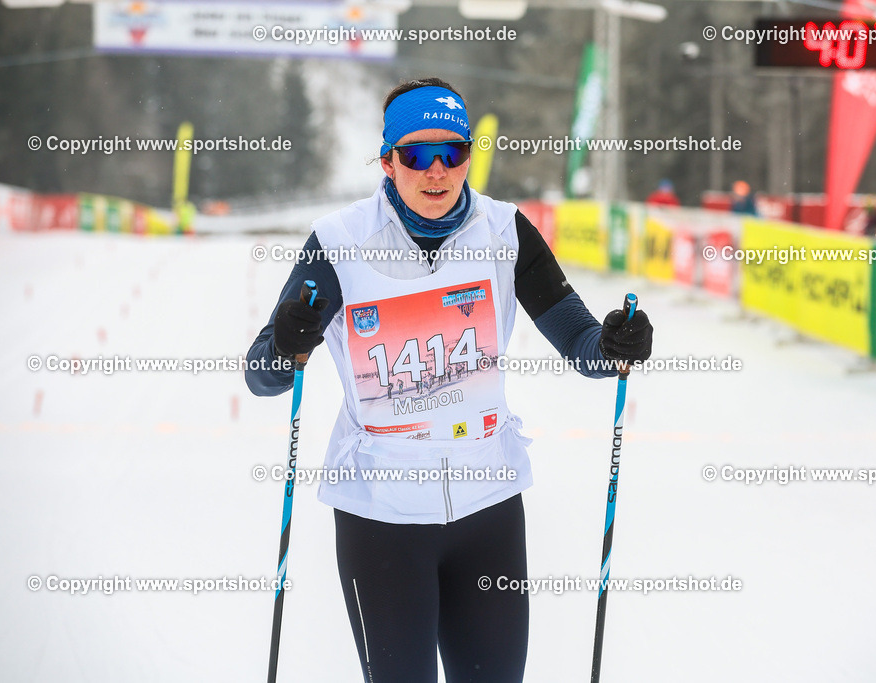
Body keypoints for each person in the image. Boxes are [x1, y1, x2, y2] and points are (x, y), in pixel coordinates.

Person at [244, 77, 654, 683]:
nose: (435, 171)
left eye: (452, 153)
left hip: (487, 507)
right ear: (387, 161)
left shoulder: (505, 232)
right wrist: (286, 342)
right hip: (380, 516)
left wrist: (617, 344)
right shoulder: (338, 242)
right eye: (415, 155)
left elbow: (582, 343)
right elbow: (263, 375)